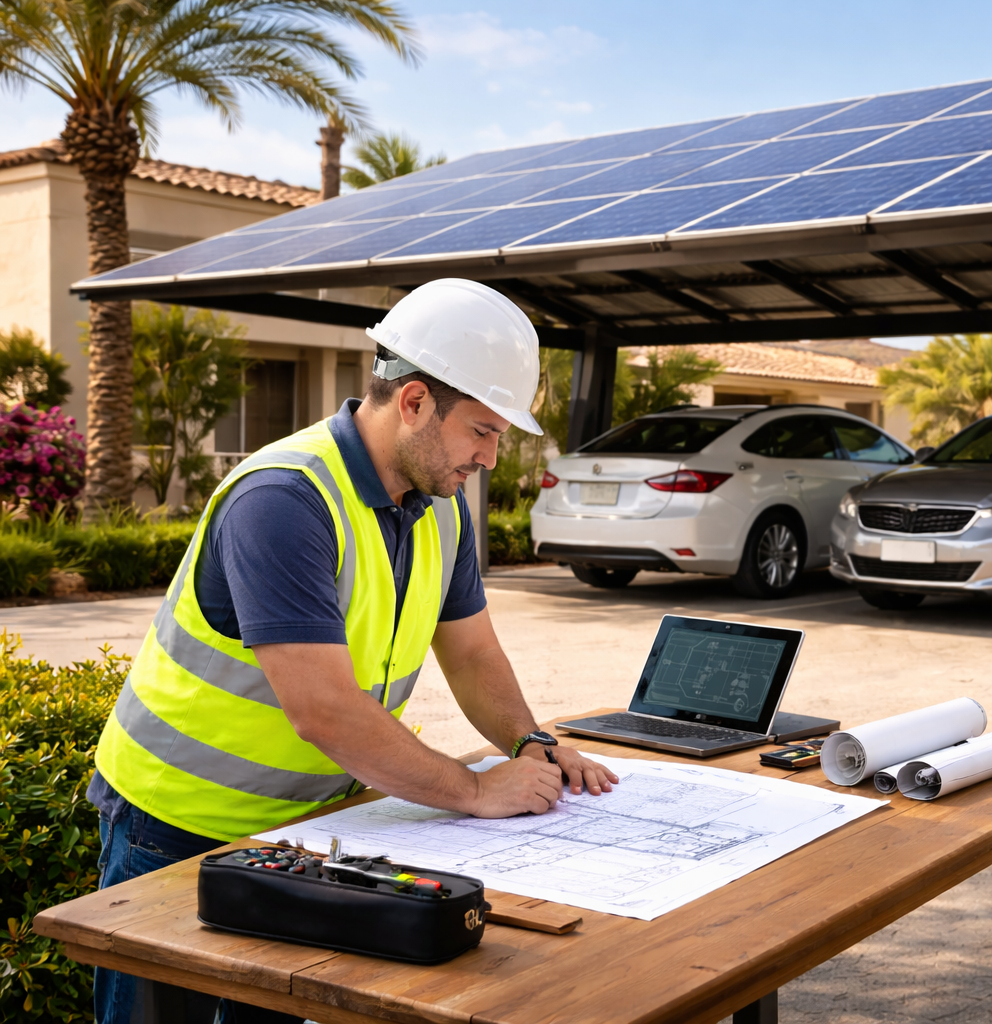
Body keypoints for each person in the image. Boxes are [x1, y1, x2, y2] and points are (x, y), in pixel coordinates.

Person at [86, 278, 618, 1024]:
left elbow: (472, 654)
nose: (491, 458)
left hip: (305, 830)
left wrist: (531, 744)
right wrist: (472, 791)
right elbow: (324, 710)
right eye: (483, 431)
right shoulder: (284, 499)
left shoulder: (442, 512)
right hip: (174, 825)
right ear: (414, 402)